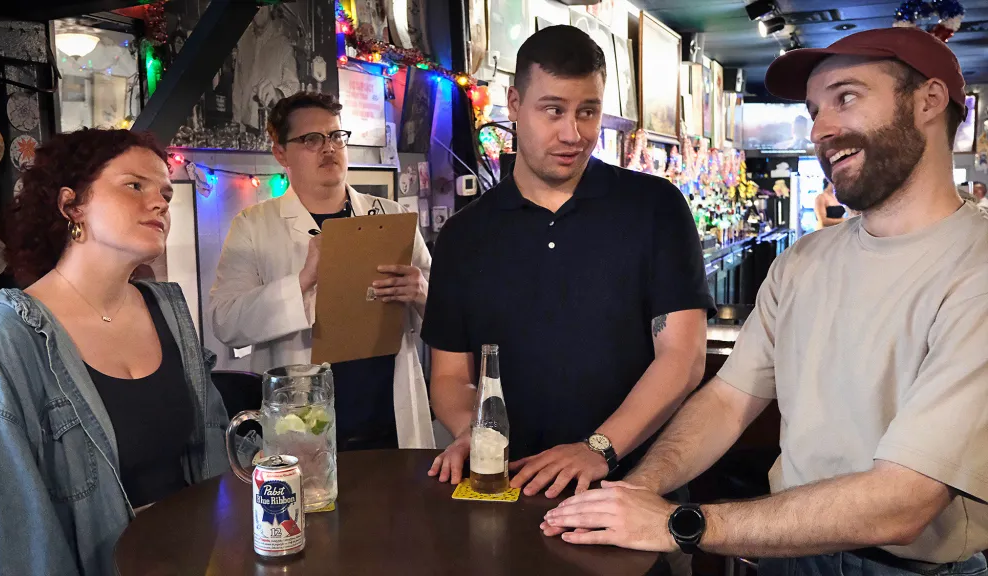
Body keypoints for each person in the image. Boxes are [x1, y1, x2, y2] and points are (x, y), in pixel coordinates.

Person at [541, 27, 988, 576]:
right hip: (787, 553)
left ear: (929, 100)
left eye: (846, 97)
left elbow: (904, 503)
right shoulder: (804, 261)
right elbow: (729, 400)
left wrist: (680, 524)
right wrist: (632, 494)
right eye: (814, 110)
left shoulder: (975, 270)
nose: (820, 129)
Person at [423, 25, 712, 499]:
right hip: (511, 488)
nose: (572, 134)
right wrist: (473, 432)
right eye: (553, 110)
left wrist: (599, 448)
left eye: (588, 112)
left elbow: (682, 358)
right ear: (514, 104)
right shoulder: (463, 235)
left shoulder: (654, 207)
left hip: (633, 490)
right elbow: (451, 376)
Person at [0, 129, 232, 576]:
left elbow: (215, 451)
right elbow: (6, 537)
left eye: (165, 193)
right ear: (72, 205)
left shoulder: (168, 311)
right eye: (135, 185)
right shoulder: (5, 340)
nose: (160, 203)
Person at [209, 91, 435, 451]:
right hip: (303, 424)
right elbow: (226, 321)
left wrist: (422, 293)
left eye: (335, 136)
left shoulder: (391, 214)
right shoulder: (254, 225)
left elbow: (444, 319)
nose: (328, 148)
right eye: (311, 139)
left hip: (391, 418)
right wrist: (303, 281)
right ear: (281, 153)